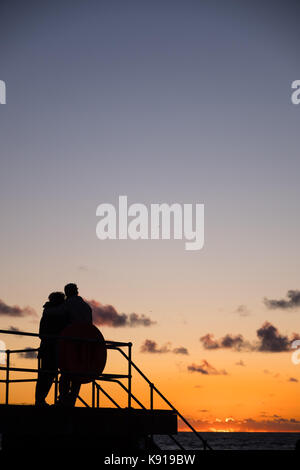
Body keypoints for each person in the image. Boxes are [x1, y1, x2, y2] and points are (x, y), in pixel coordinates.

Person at [58, 283, 93, 406]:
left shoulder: (66, 305)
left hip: (69, 343)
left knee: (66, 373)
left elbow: (61, 321)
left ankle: (63, 400)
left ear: (67, 292)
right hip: (84, 344)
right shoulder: (86, 307)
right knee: (78, 373)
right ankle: (72, 400)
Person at [35, 291, 67, 406]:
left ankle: (40, 399)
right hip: (52, 348)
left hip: (47, 347)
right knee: (48, 374)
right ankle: (40, 399)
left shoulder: (47, 312)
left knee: (46, 374)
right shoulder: (56, 313)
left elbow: (41, 332)